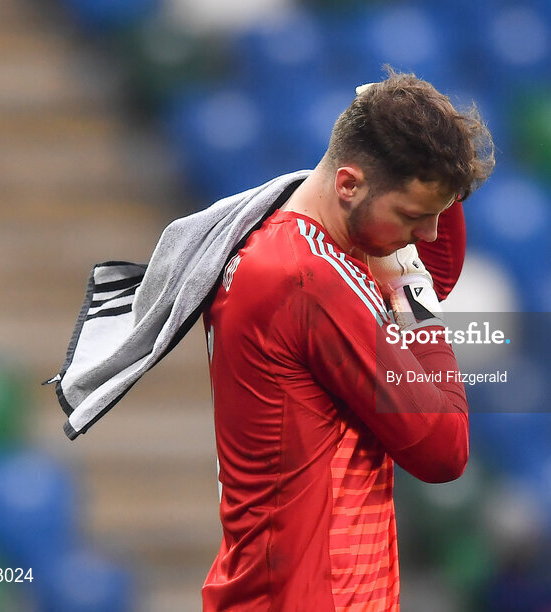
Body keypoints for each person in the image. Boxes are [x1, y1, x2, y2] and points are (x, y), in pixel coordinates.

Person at [200, 69, 494, 611]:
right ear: (349, 184)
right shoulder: (308, 280)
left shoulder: (299, 241)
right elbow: (444, 449)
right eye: (412, 217)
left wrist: (416, 116)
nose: (426, 236)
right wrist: (416, 295)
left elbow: (439, 264)